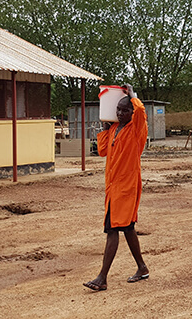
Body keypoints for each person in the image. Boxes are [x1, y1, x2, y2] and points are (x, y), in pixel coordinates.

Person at [83, 84, 149, 291]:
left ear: (132, 112)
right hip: (113, 188)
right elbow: (102, 151)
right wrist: (105, 126)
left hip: (126, 187)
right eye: (118, 110)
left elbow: (141, 112)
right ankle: (142, 268)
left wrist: (132, 95)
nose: (121, 113)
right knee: (127, 228)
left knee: (112, 230)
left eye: (125, 110)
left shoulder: (137, 130)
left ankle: (102, 278)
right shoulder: (113, 129)